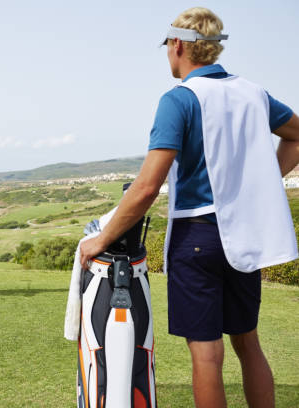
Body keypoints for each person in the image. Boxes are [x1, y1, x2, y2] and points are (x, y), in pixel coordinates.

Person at [79, 7, 299, 408]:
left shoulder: (179, 100)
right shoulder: (254, 93)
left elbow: (147, 187)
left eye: (167, 47)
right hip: (245, 234)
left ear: (178, 44)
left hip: (197, 237)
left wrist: (102, 239)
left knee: (207, 353)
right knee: (248, 343)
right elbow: (297, 136)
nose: (167, 54)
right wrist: (262, 186)